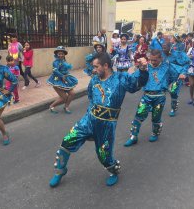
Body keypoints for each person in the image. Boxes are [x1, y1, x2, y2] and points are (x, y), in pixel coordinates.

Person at [49, 53, 149, 188]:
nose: (93, 70)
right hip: (88, 120)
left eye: (96, 67)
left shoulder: (121, 78)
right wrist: (90, 118)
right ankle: (60, 171)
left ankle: (114, 171)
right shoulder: (94, 80)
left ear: (106, 66)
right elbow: (91, 97)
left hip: (106, 125)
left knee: (104, 156)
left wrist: (142, 70)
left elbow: (137, 83)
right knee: (67, 141)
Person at [124, 49, 175, 147]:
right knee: (139, 115)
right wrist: (140, 68)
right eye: (151, 60)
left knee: (156, 117)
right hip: (147, 95)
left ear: (160, 59)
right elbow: (136, 77)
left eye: (155, 60)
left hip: (160, 96)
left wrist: (164, 84)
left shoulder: (166, 67)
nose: (153, 62)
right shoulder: (146, 67)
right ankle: (133, 136)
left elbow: (174, 75)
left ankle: (155, 133)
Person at [47, 46, 78, 114]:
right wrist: (62, 76)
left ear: (64, 54)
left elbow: (65, 69)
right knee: (64, 97)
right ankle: (51, 106)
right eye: (59, 54)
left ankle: (66, 107)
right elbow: (55, 71)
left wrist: (67, 75)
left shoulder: (64, 61)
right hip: (57, 80)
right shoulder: (55, 62)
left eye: (62, 53)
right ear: (57, 54)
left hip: (66, 79)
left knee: (72, 93)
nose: (61, 55)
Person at [162, 42, 190, 117]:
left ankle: (173, 108)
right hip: (166, 76)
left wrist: (183, 73)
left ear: (170, 47)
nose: (163, 49)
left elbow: (187, 63)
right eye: (162, 47)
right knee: (160, 89)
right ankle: (157, 105)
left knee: (173, 91)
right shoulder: (161, 54)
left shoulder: (178, 54)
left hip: (177, 76)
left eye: (165, 47)